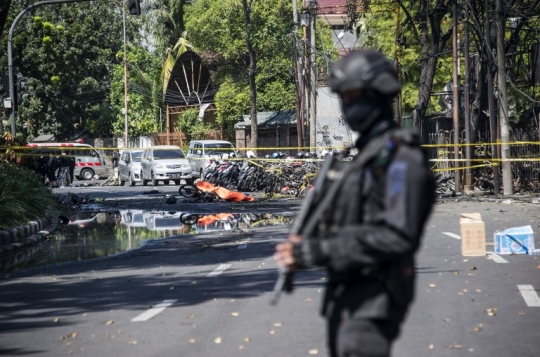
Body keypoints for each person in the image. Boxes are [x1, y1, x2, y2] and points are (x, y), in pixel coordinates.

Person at [274, 49, 436, 357]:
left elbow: (396, 234)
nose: (348, 106)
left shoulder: (401, 158)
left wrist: (319, 250)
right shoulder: (367, 154)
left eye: (353, 96)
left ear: (378, 94)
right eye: (343, 98)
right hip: (348, 295)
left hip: (373, 300)